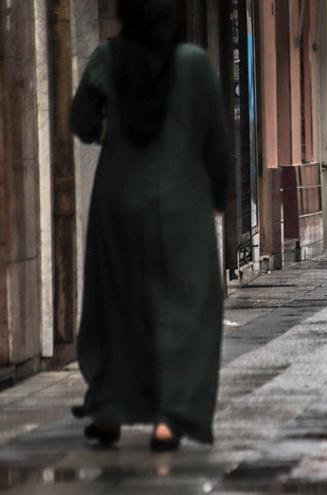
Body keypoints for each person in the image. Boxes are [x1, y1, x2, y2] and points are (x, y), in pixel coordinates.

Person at [70, 0, 229, 452]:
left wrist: (111, 127)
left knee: (118, 305)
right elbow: (215, 141)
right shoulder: (195, 65)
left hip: (118, 200)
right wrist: (218, 198)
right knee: (186, 308)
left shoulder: (107, 57)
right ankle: (169, 419)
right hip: (182, 204)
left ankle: (108, 411)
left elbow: (82, 123)